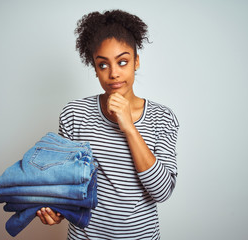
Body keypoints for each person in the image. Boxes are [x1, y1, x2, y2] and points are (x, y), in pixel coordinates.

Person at [36, 9, 179, 239]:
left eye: (122, 62)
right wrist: (57, 210)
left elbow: (161, 192)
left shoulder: (162, 118)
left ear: (136, 62)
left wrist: (129, 128)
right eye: (103, 65)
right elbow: (66, 184)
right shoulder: (74, 114)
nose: (113, 73)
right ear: (95, 68)